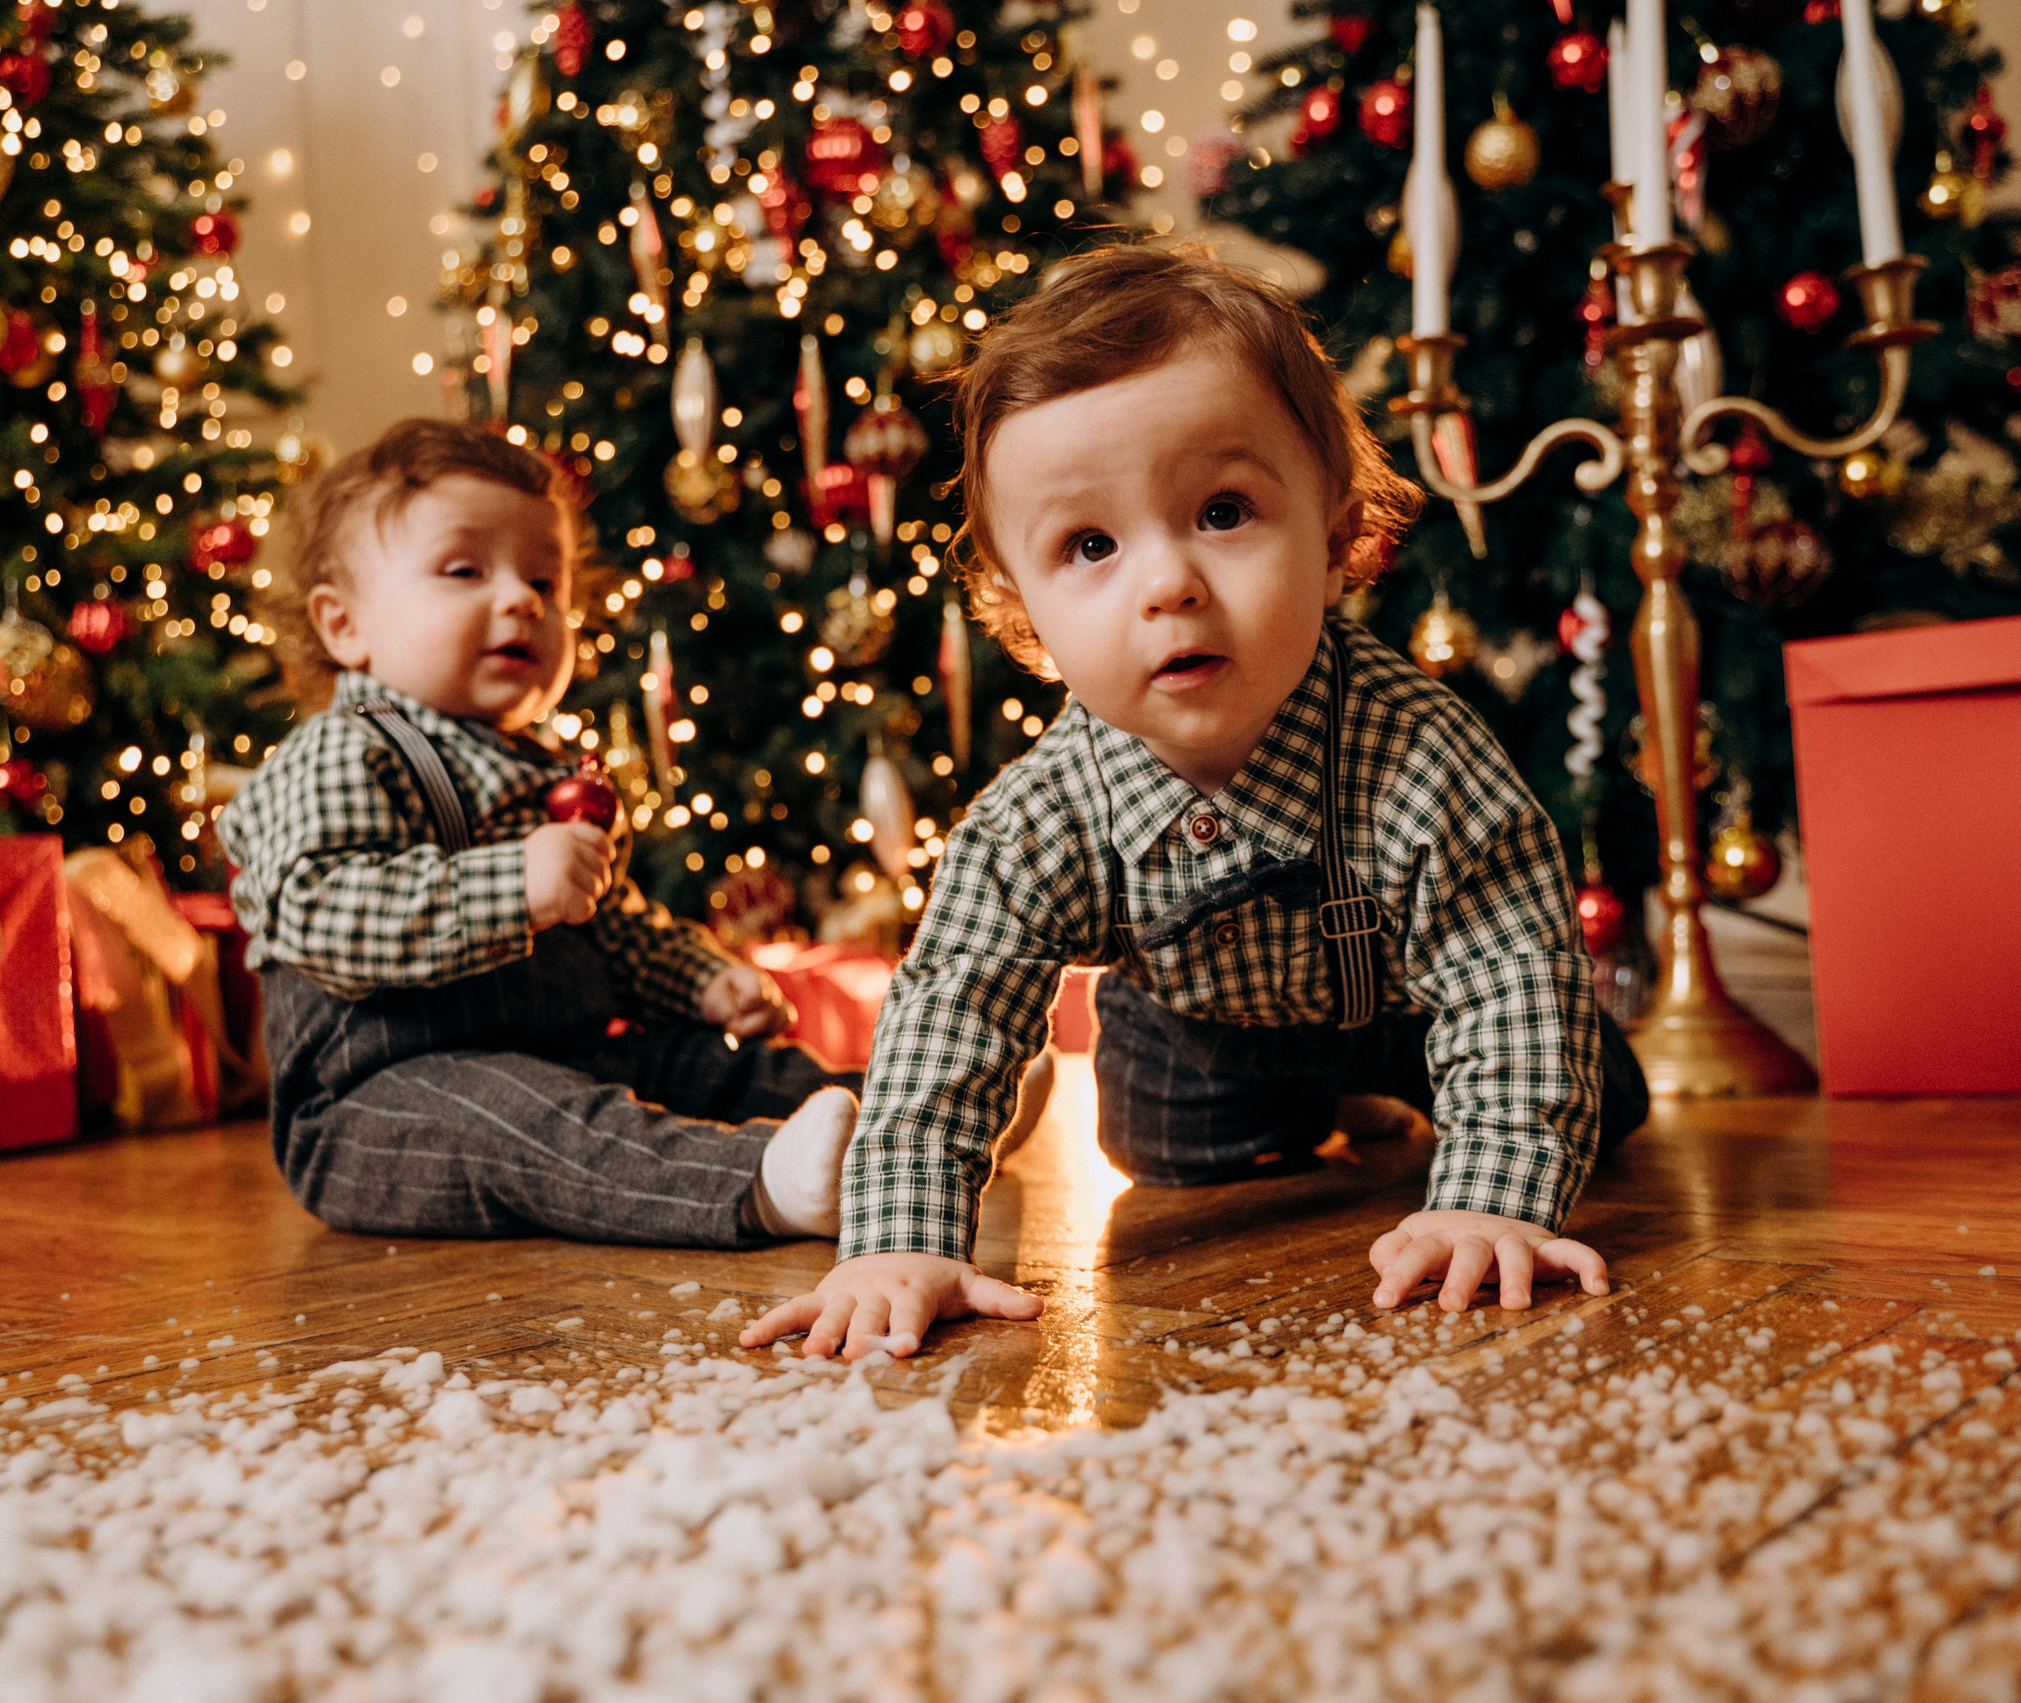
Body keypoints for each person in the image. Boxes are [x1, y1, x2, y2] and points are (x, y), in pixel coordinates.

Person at [743, 246, 1650, 1361]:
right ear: (1017, 602)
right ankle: (1314, 1109)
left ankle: (1418, 1105)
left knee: (1588, 1092)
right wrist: (900, 1239)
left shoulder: (1420, 755)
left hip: (1424, 1008)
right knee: (1166, 1149)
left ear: (1333, 530)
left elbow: (1506, 972)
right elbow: (953, 1016)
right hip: (1198, 1030)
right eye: (1089, 546)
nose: (1165, 582)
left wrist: (1494, 1197)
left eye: (1222, 510)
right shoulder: (1039, 819)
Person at [219, 419, 860, 1248]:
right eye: (463, 570)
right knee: (532, 1117)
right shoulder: (347, 750)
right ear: (347, 628)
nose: (521, 599)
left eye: (545, 582)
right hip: (381, 1109)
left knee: (700, 1061)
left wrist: (702, 981)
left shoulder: (550, 772)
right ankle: (759, 1183)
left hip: (571, 1059)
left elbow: (614, 928)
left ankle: (908, 1122)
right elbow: (316, 912)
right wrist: (511, 885)